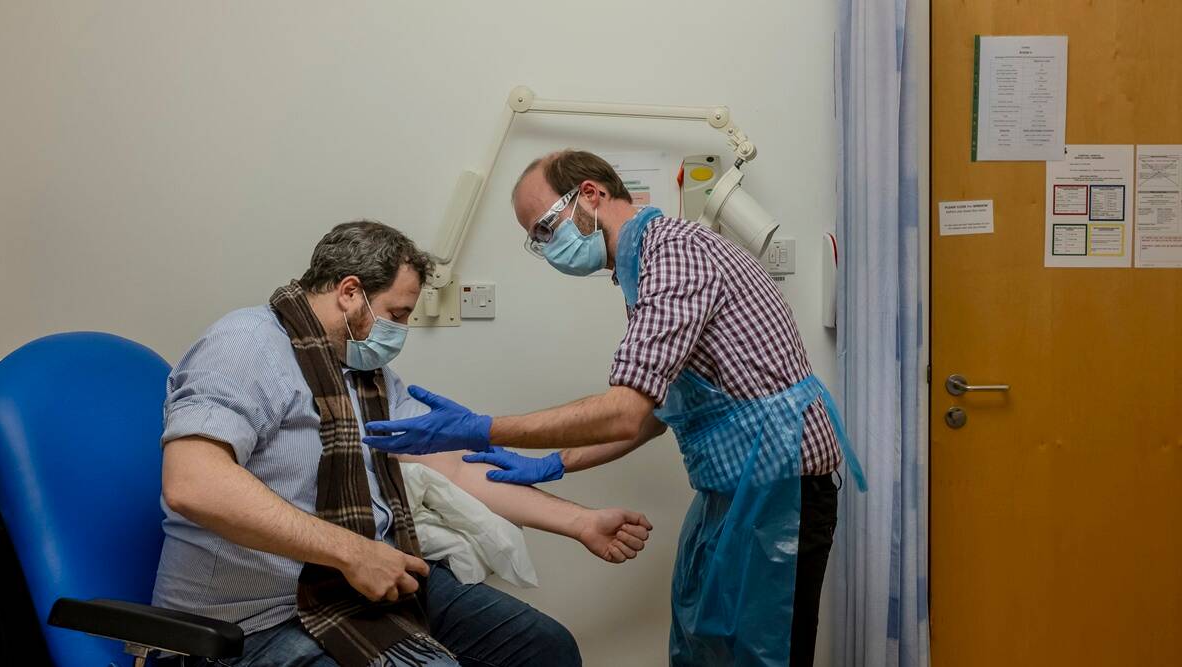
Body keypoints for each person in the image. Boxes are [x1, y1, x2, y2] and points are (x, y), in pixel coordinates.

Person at [364, 151, 863, 667]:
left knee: (764, 654)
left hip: (779, 490)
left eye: (543, 228)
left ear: (590, 195)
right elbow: (656, 412)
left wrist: (480, 428)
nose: (543, 245)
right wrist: (556, 462)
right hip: (739, 488)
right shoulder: (646, 267)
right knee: (710, 645)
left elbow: (626, 409)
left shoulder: (675, 255)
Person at [153, 220, 652, 667]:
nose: (403, 329)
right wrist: (351, 552)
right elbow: (193, 484)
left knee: (546, 649)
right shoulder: (245, 345)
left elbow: (452, 467)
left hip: (356, 585)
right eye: (398, 312)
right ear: (350, 292)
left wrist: (581, 521)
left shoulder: (365, 374)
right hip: (253, 619)